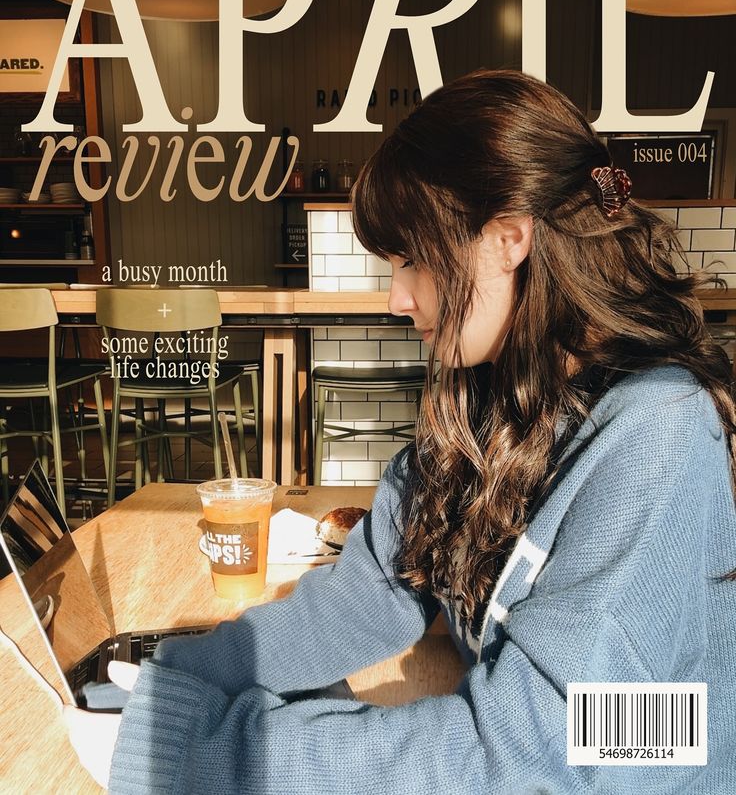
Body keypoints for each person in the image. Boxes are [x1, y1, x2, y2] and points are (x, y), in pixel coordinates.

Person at [67, 70, 736, 793]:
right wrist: (172, 679)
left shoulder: (658, 430)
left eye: (411, 259)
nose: (396, 297)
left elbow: (550, 750)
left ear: (508, 237)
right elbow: (369, 596)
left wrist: (193, 753)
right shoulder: (488, 399)